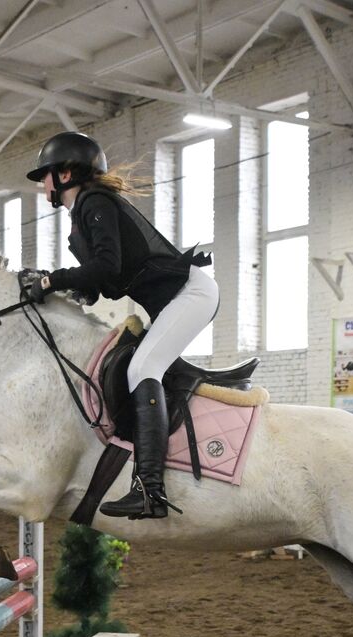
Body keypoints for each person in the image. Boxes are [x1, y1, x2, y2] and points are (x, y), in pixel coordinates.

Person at [18, 131, 216, 521]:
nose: (43, 184)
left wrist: (49, 281)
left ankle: (150, 491)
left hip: (191, 294)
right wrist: (65, 288)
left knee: (143, 368)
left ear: (67, 172)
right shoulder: (84, 216)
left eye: (46, 174)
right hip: (174, 300)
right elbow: (100, 282)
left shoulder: (95, 202)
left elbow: (106, 267)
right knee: (136, 367)